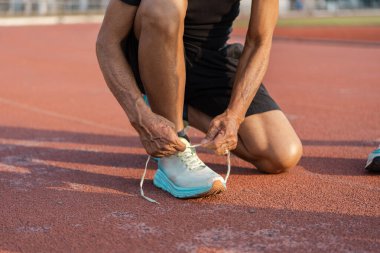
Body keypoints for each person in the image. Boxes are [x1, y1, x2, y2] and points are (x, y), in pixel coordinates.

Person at [96, 0, 303, 199]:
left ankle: (180, 108)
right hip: (152, 55)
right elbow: (107, 43)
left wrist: (235, 115)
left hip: (209, 60)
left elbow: (259, 42)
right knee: (165, 4)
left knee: (281, 154)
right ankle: (174, 149)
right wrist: (140, 116)